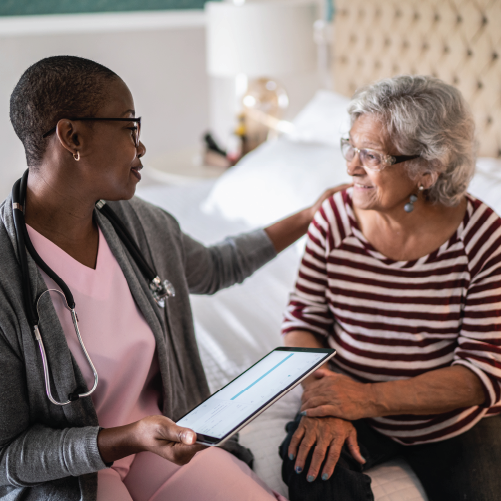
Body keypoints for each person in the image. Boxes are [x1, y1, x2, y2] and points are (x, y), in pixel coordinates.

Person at [0, 56, 345, 501]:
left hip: (161, 449)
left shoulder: (142, 225)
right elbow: (7, 456)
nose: (141, 147)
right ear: (72, 137)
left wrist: (308, 216)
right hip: (75, 475)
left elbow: (218, 267)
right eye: (129, 127)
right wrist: (124, 438)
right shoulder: (7, 278)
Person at [280, 75, 501, 501]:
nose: (350, 166)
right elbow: (304, 318)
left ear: (427, 169)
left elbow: (482, 374)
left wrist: (364, 400)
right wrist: (325, 397)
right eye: (350, 145)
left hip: (454, 422)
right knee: (312, 477)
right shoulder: (334, 216)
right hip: (348, 397)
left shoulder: (483, 238)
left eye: (372, 155)